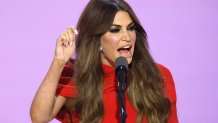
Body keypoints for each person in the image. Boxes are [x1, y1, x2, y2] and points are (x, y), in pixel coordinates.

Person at [30, 0, 178, 123]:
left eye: (130, 28)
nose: (127, 37)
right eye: (115, 30)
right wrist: (59, 61)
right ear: (97, 39)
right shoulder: (76, 77)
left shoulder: (158, 75)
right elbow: (39, 118)